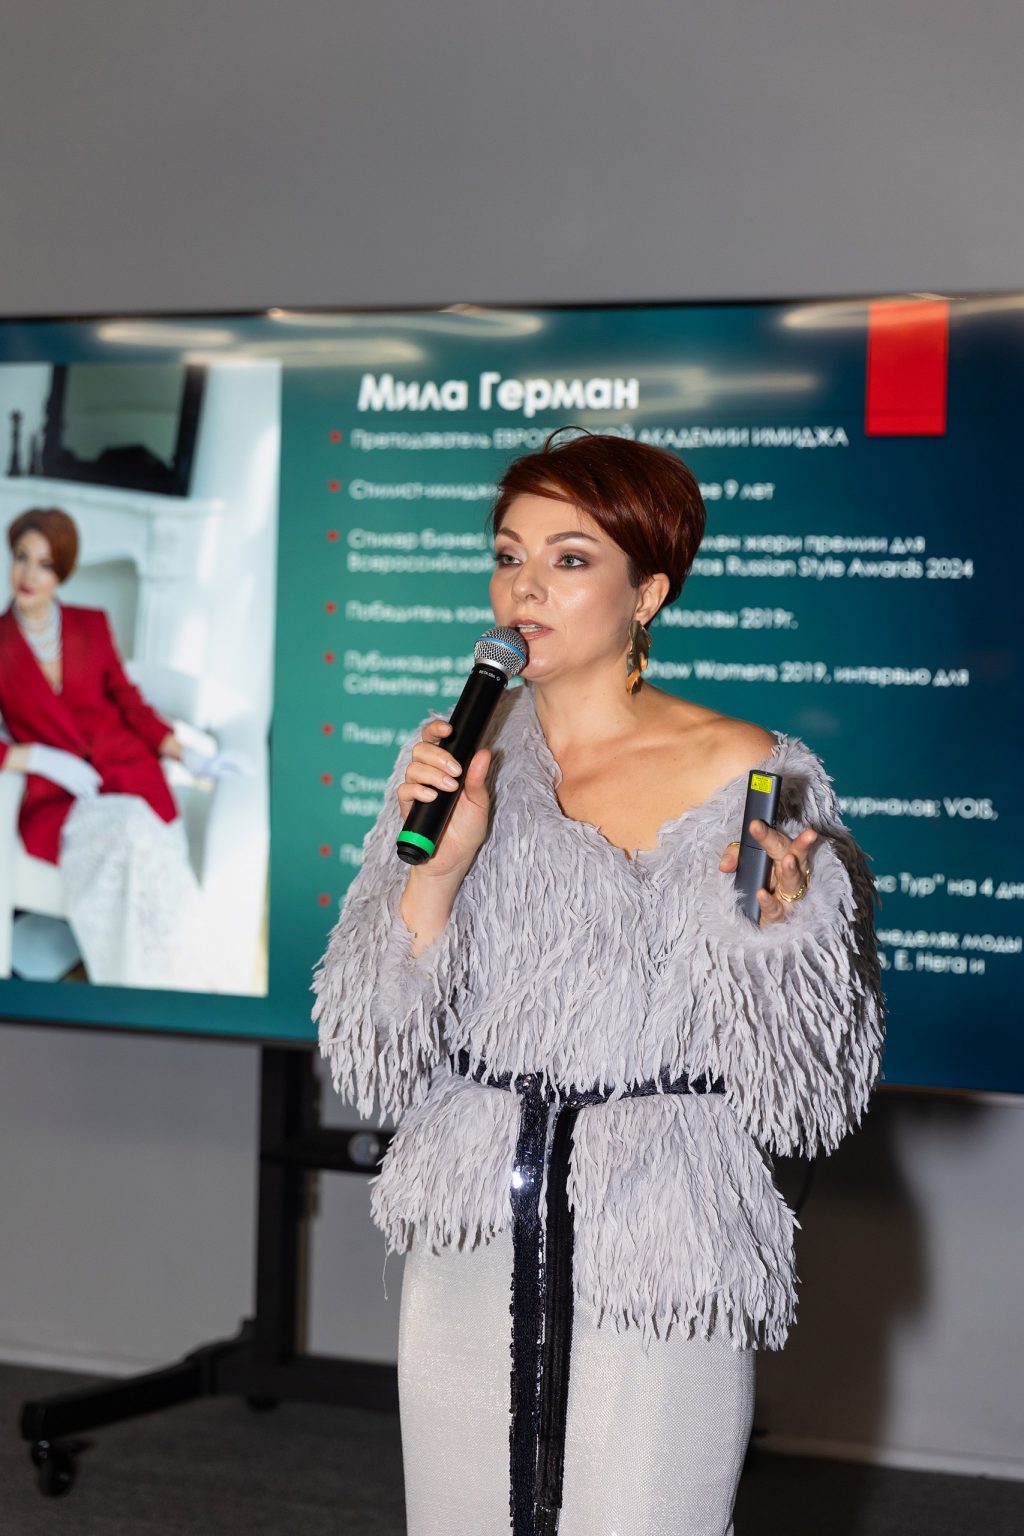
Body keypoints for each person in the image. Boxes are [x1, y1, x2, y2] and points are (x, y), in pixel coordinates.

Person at [311, 430, 886, 1536]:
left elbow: (805, 1092)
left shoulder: (756, 773)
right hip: (476, 1215)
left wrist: (777, 934)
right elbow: (373, 1051)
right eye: (509, 555)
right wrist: (438, 872)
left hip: (659, 1224)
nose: (525, 588)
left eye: (569, 559)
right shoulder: (456, 763)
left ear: (648, 593)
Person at [0, 506, 247, 989]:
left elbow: (128, 700)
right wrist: (35, 758)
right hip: (62, 800)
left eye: (45, 564)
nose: (28, 575)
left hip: (132, 773)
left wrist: (182, 751)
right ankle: (163, 989)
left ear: (62, 572)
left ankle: (184, 982)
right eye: (21, 557)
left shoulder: (91, 625)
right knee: (133, 829)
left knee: (143, 845)